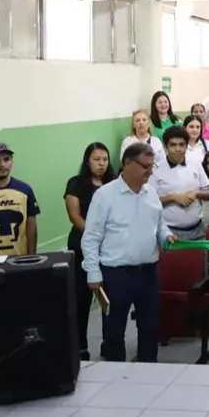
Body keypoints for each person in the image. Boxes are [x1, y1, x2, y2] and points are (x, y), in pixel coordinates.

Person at [81, 142, 177, 363]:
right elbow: (91, 237)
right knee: (114, 331)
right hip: (116, 274)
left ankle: (147, 370)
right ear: (127, 164)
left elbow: (160, 225)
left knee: (150, 327)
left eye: (152, 166)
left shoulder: (151, 193)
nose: (150, 171)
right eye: (145, 166)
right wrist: (93, 273)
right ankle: (116, 376)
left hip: (148, 272)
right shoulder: (105, 195)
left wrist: (166, 236)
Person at [64, 142, 116, 360]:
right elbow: (75, 216)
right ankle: (80, 347)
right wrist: (95, 235)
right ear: (88, 161)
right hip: (82, 245)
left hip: (111, 248)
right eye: (96, 159)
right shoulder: (76, 184)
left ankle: (110, 341)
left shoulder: (114, 183)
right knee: (81, 298)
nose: (101, 164)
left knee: (110, 296)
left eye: (105, 159)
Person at [151, 126, 209, 240]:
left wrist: (196, 193)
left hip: (198, 229)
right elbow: (150, 203)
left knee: (200, 258)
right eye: (173, 145)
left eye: (181, 144)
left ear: (186, 145)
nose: (178, 149)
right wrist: (173, 198)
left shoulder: (195, 164)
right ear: (165, 146)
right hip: (170, 233)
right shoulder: (156, 170)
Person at [0, 142, 39, 257]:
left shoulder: (25, 190)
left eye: (6, 159)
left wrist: (31, 256)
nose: (2, 164)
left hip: (18, 260)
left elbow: (31, 224)